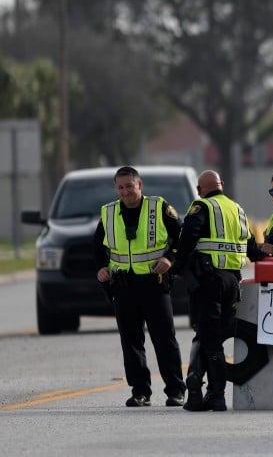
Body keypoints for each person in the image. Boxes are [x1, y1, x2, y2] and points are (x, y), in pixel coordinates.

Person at [93, 166, 187, 408]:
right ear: (116, 188)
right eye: (120, 187)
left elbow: (181, 237)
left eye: (129, 186)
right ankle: (140, 391)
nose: (125, 192)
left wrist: (170, 259)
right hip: (123, 286)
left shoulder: (159, 207)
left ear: (140, 185)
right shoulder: (108, 212)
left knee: (164, 339)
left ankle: (176, 390)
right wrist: (102, 268)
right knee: (131, 341)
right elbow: (97, 248)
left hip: (154, 284)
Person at [174, 169, 259, 411]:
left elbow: (188, 236)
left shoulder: (201, 207)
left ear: (200, 190)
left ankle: (212, 393)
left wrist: (178, 266)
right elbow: (251, 247)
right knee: (217, 336)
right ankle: (208, 390)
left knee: (208, 338)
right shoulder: (237, 209)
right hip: (233, 282)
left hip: (208, 282)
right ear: (221, 185)